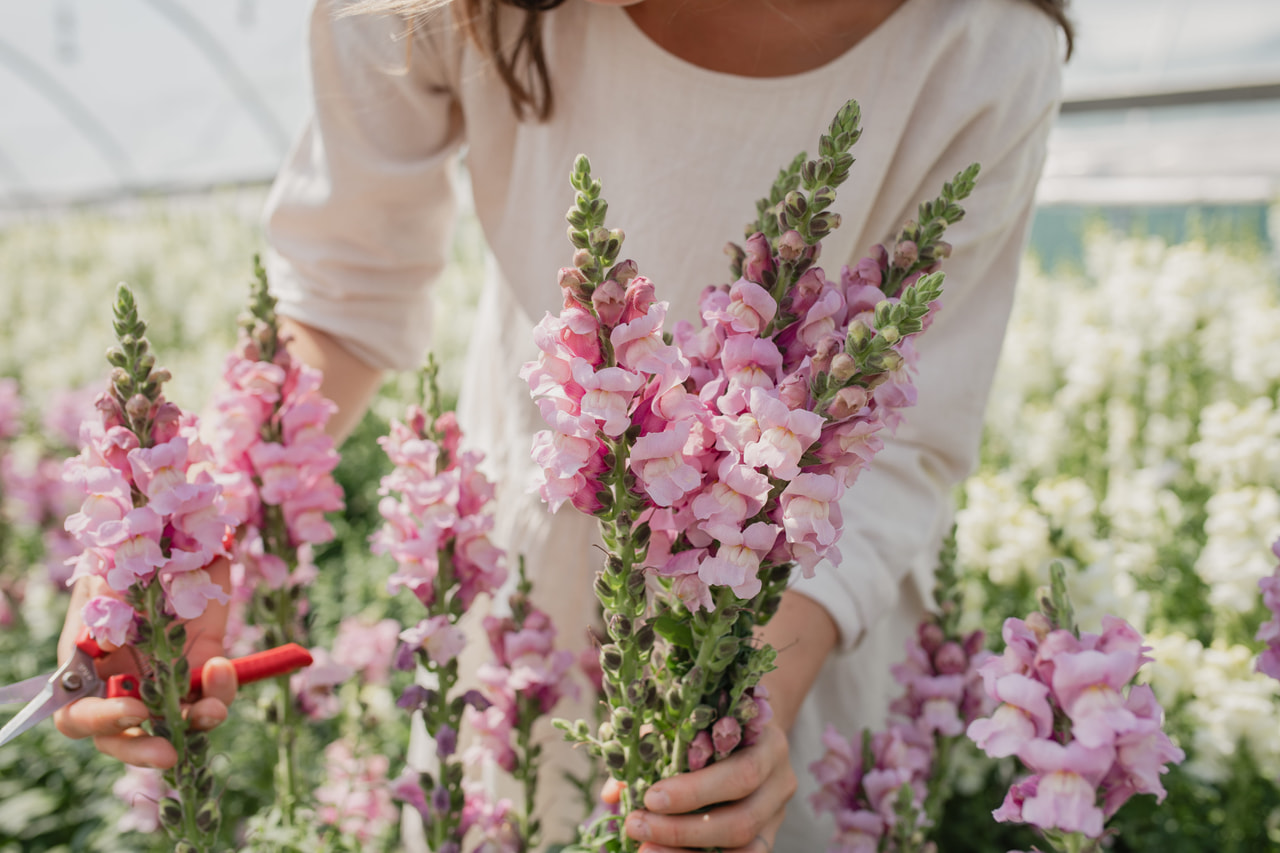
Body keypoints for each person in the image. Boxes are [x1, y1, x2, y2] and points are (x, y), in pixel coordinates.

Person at [57, 0, 1070, 850]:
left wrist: (735, 696)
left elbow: (901, 432)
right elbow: (342, 287)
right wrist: (186, 539)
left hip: (787, 624)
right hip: (516, 616)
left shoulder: (980, 44)